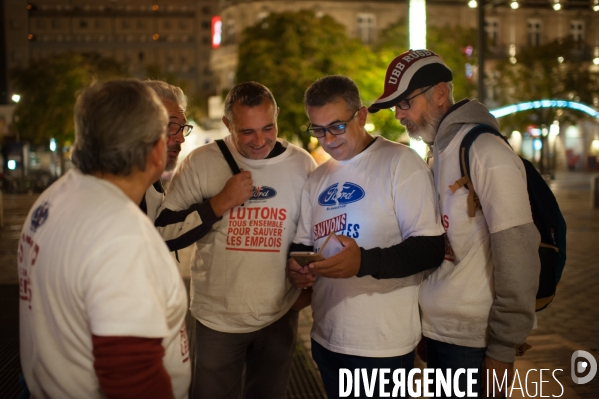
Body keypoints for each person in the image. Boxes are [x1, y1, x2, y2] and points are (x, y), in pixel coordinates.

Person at [368, 49, 541, 397]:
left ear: (441, 94)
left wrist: (503, 348)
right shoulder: (439, 152)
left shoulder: (485, 152)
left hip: (474, 342)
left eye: (405, 103)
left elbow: (519, 250)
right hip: (440, 334)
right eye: (395, 106)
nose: (399, 114)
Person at [18, 80, 191, 399]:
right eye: (167, 131)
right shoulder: (123, 237)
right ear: (154, 150)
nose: (177, 138)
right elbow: (132, 378)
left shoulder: (53, 198)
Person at [287, 75, 445, 398]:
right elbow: (305, 244)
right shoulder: (317, 179)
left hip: (382, 347)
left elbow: (430, 248)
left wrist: (362, 261)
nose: (327, 139)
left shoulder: (400, 163)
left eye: (336, 126)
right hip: (326, 338)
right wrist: (298, 267)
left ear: (361, 116)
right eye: (317, 129)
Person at [156, 81, 317, 398]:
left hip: (279, 314)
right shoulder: (201, 161)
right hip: (218, 318)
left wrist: (304, 274)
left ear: (277, 117)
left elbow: (309, 232)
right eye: (247, 132)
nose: (260, 141)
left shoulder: (301, 164)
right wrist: (219, 203)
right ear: (228, 124)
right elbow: (162, 232)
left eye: (267, 128)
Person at [140, 79, 192, 222]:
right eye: (170, 125)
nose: (181, 138)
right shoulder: (110, 189)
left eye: (182, 127)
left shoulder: (153, 185)